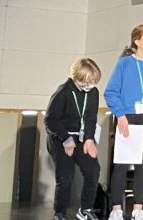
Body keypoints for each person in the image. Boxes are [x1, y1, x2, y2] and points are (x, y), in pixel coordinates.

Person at [104, 24, 143, 220]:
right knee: (121, 164)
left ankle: (138, 208)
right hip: (127, 117)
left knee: (142, 164)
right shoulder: (125, 64)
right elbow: (111, 92)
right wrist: (120, 115)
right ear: (137, 41)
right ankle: (116, 208)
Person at [46, 58, 102, 220]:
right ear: (78, 78)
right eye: (89, 81)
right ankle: (59, 213)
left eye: (94, 81)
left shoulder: (93, 92)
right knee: (65, 176)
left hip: (81, 137)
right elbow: (50, 120)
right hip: (61, 137)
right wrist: (66, 139)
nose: (91, 85)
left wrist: (89, 139)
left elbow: (91, 118)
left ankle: (85, 209)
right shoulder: (63, 92)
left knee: (93, 170)